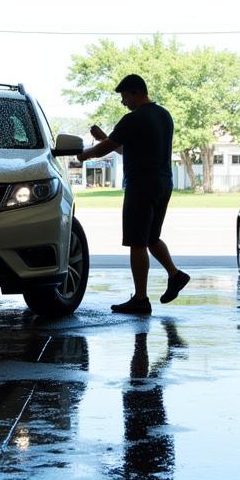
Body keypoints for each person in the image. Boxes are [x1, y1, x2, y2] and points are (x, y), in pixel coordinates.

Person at [76, 74, 190, 315]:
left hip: (141, 186)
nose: (123, 103)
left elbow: (106, 150)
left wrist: (84, 154)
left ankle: (140, 299)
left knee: (137, 242)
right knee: (151, 237)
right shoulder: (163, 116)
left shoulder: (133, 118)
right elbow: (125, 149)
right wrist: (104, 137)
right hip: (163, 184)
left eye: (124, 97)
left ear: (135, 93)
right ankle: (175, 274)